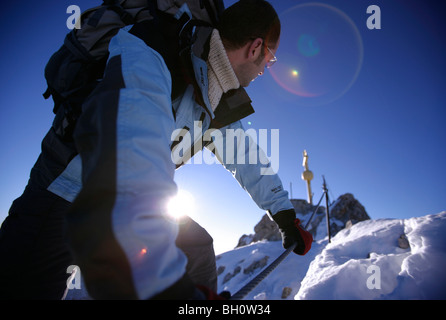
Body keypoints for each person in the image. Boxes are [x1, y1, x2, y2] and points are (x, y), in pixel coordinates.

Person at [0, 0, 312, 300]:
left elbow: (245, 157)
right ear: (255, 48)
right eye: (270, 59)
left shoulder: (219, 95)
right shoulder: (150, 50)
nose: (265, 69)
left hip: (125, 203)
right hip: (63, 194)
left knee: (196, 250)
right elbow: (130, 151)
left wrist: (283, 214)